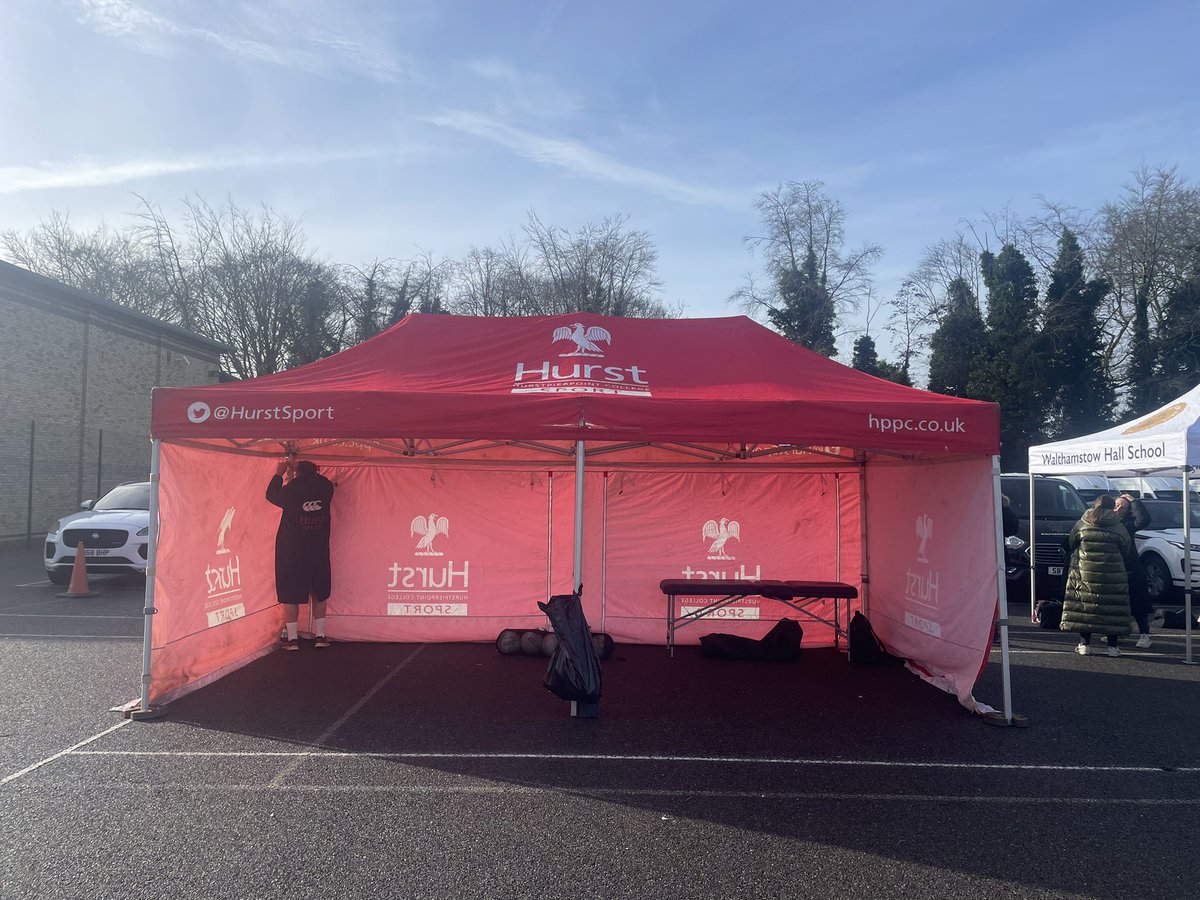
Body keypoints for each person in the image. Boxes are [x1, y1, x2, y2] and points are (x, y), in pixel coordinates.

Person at [266, 458, 335, 650]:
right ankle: (320, 636)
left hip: (292, 551)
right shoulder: (326, 489)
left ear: (296, 474)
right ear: (316, 472)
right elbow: (325, 482)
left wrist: (279, 473)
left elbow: (270, 494)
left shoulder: (290, 492)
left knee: (290, 593)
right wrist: (314, 473)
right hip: (318, 550)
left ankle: (293, 639)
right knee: (319, 591)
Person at [1061, 494, 1131, 657]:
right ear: (1112, 507)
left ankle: (1084, 644)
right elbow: (1126, 548)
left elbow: (1071, 543)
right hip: (1112, 574)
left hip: (1084, 572)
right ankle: (1113, 647)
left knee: (1085, 606)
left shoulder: (1082, 523)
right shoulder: (1118, 525)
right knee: (1113, 609)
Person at [1114, 492, 1154, 649]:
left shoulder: (1129, 523)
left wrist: (1134, 501)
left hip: (1131, 568)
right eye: (1116, 505)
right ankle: (1120, 632)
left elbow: (1143, 520)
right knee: (1117, 603)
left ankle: (1145, 634)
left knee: (1138, 603)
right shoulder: (1107, 522)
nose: (1118, 509)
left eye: (1122, 507)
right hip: (1114, 568)